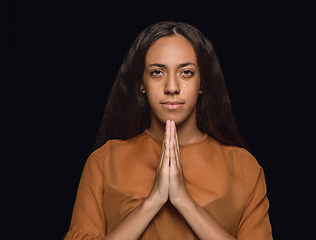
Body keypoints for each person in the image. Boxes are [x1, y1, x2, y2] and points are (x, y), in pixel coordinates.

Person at [64, 22, 272, 240]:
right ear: (141, 83)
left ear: (202, 83)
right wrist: (154, 200)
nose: (171, 87)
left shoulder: (244, 168)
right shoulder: (104, 163)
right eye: (157, 72)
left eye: (186, 72)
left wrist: (184, 201)